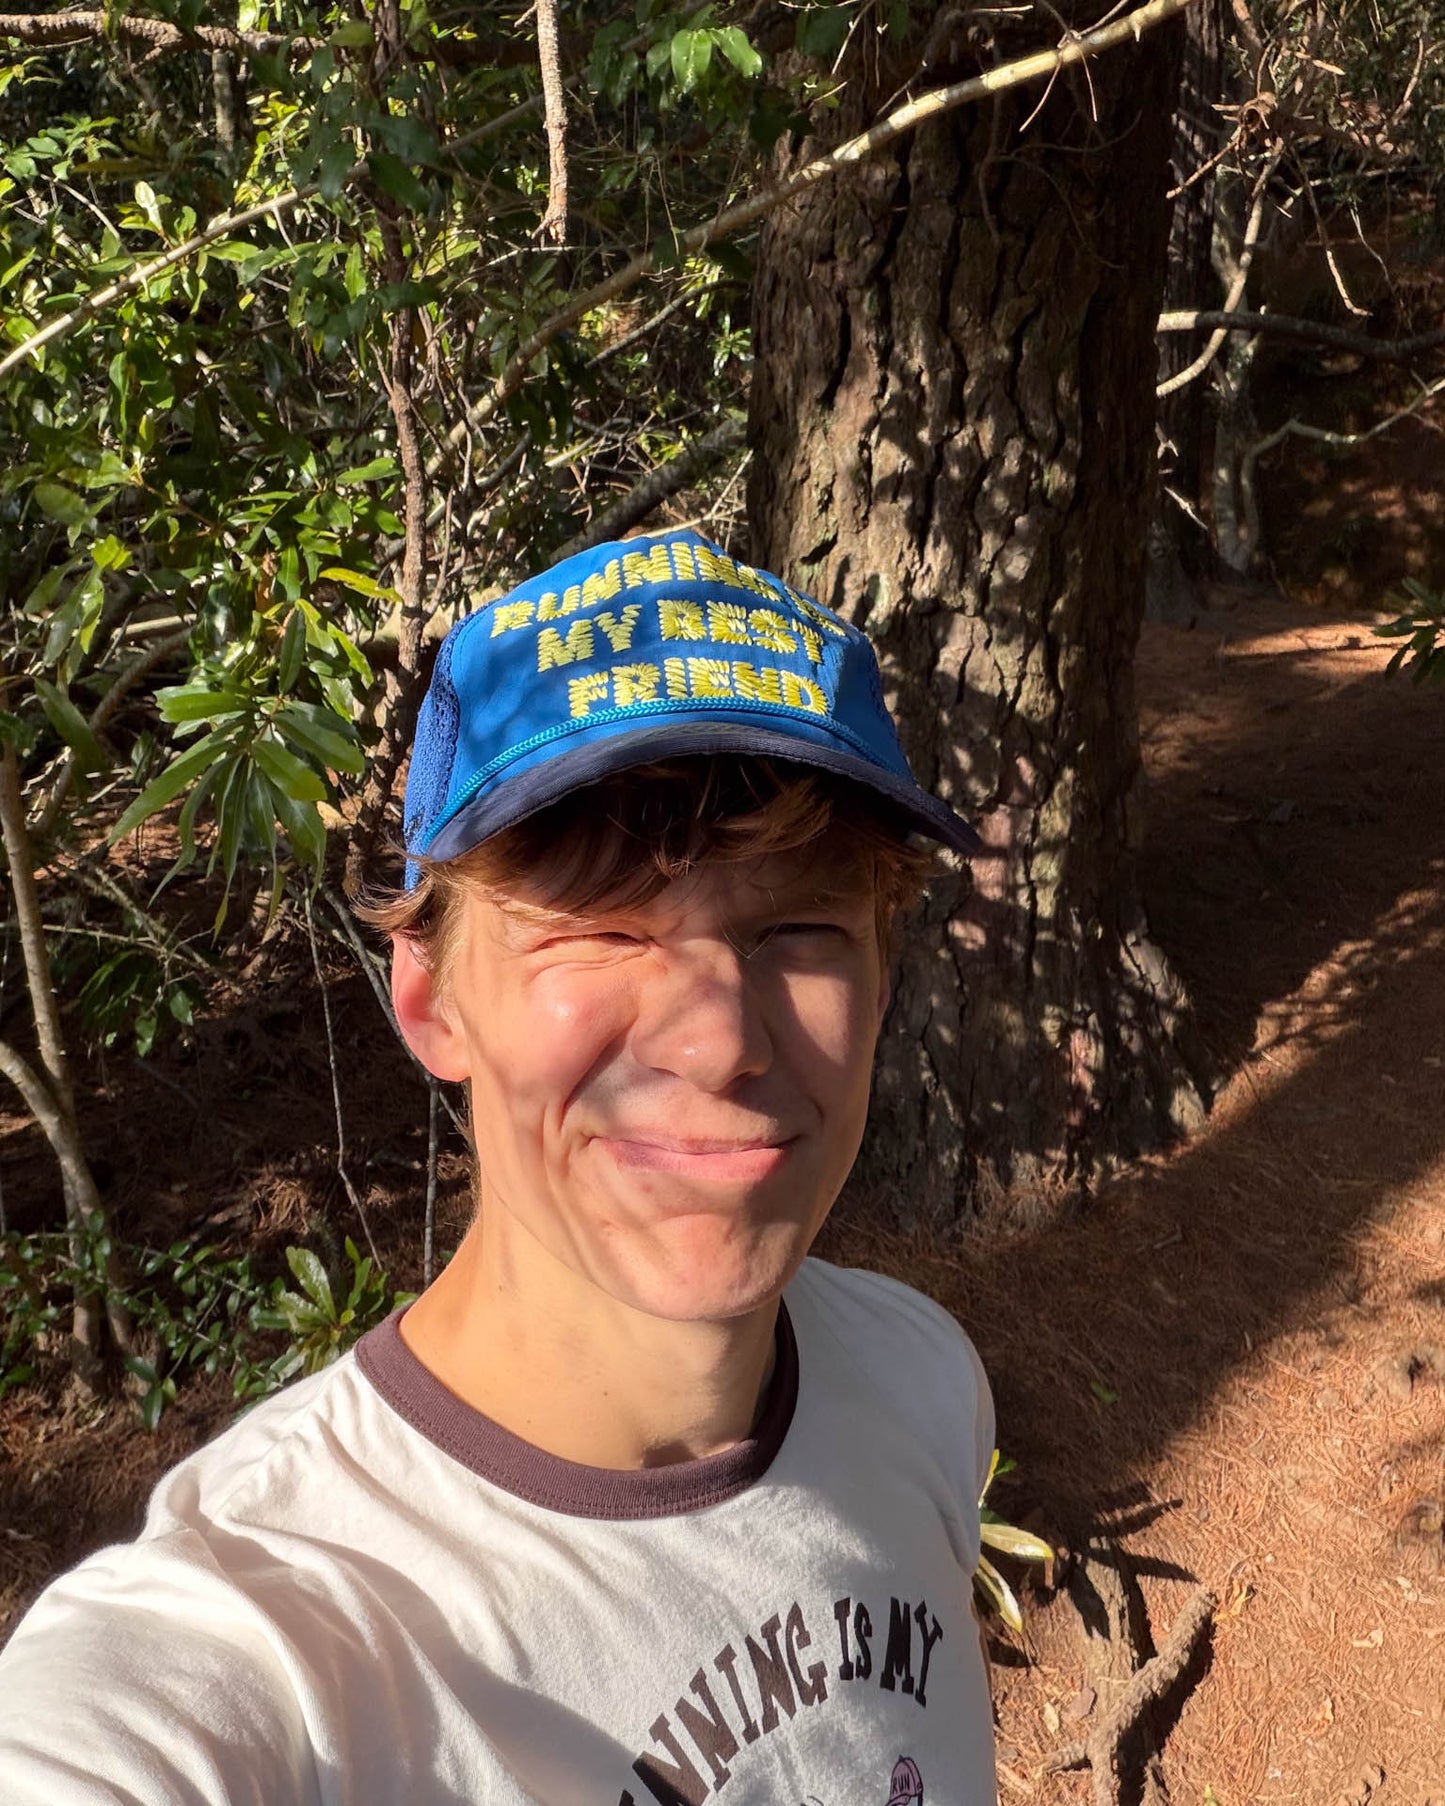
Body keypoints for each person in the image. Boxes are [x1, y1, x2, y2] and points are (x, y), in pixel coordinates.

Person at [0, 529, 998, 1804]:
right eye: (596, 931)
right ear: (430, 1002)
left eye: (798, 929)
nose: (718, 1039)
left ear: (880, 974)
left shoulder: (920, 1382)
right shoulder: (271, 1652)